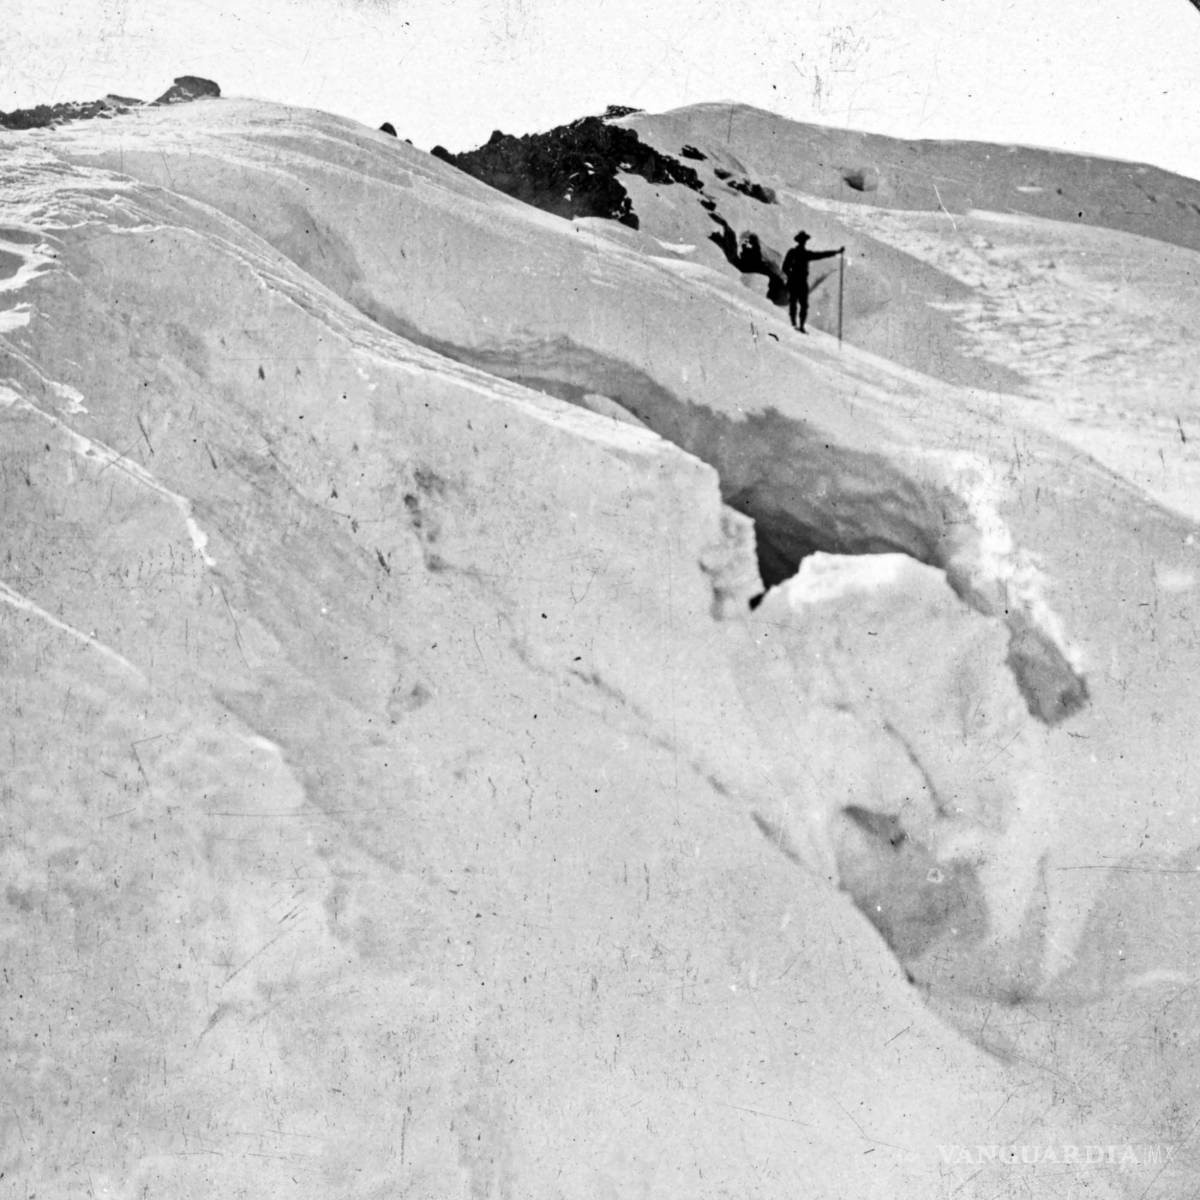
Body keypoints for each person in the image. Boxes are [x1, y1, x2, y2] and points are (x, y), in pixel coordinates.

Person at [781, 231, 844, 333]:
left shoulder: (798, 253)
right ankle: (797, 325)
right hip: (798, 281)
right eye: (803, 241)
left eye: (804, 241)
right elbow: (785, 267)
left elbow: (821, 255)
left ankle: (797, 324)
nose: (803, 242)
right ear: (801, 241)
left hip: (797, 281)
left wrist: (836, 252)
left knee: (800, 304)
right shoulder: (801, 253)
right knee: (799, 304)